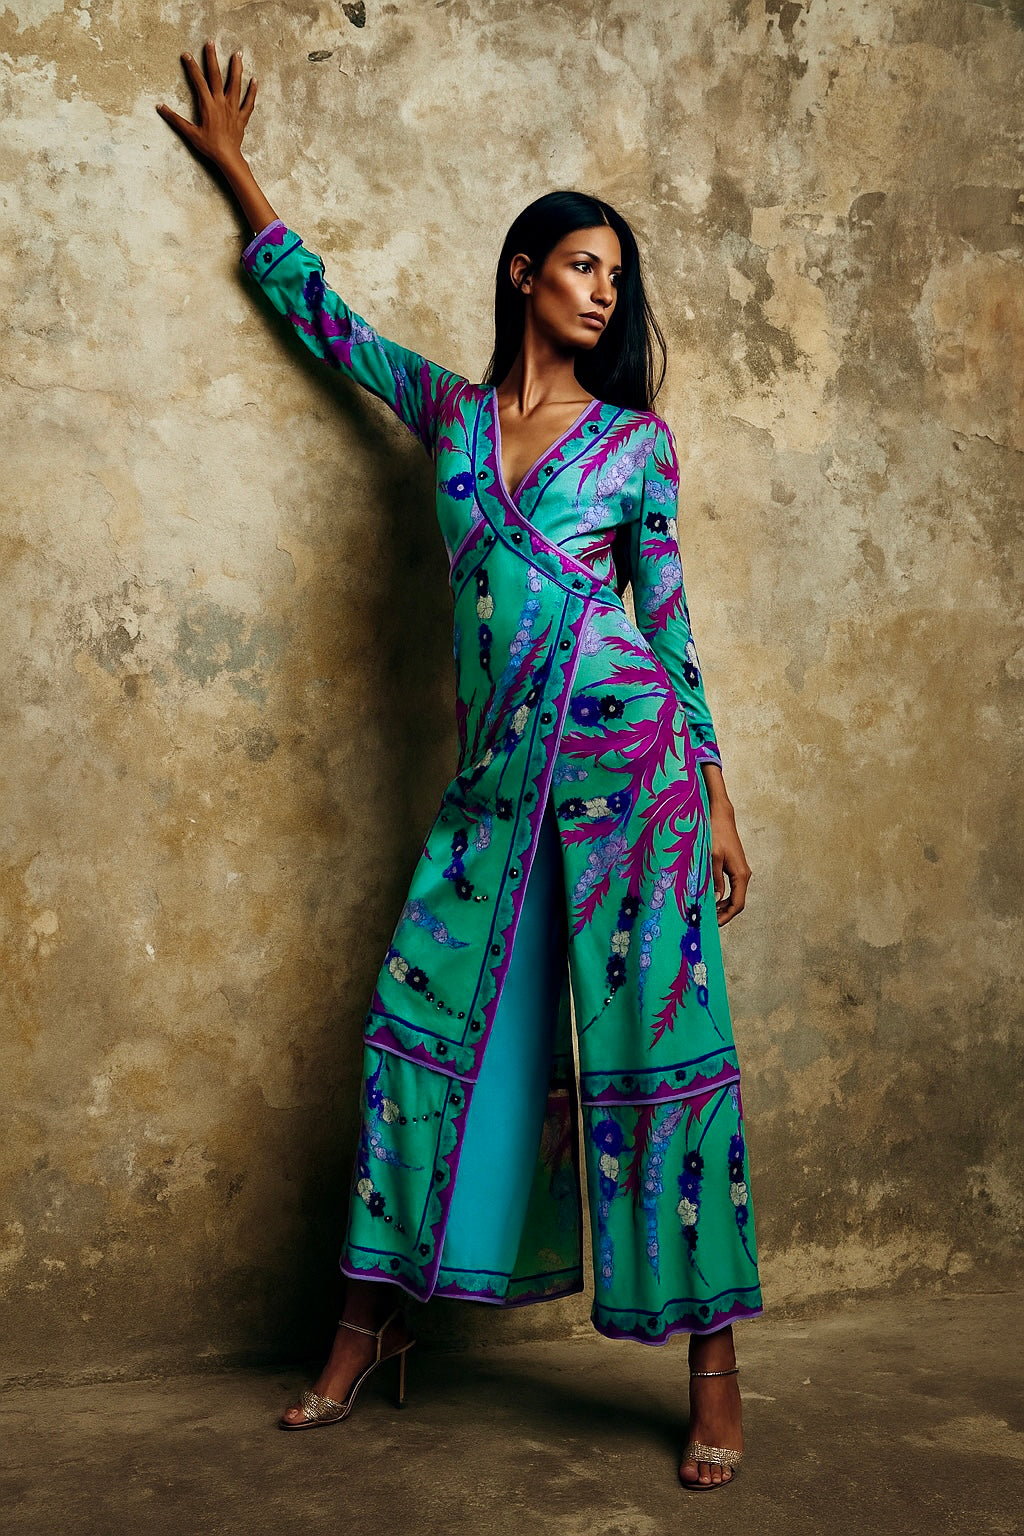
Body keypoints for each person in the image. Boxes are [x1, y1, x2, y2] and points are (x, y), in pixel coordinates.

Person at [157, 40, 761, 1491]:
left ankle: (715, 1371)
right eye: (583, 265)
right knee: (414, 1033)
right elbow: (332, 325)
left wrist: (719, 797)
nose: (605, 292)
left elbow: (667, 626)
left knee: (661, 1058)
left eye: (617, 276)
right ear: (522, 273)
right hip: (496, 785)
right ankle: (369, 1332)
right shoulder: (449, 416)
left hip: (632, 780)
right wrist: (240, 172)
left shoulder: (636, 445)